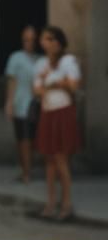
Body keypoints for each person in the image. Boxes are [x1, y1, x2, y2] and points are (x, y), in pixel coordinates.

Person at [33, 26, 82, 221]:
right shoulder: (41, 63)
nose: (45, 43)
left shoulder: (68, 61)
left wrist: (52, 84)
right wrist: (55, 84)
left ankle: (66, 204)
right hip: (48, 112)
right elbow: (37, 90)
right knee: (49, 160)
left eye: (49, 39)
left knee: (61, 159)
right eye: (44, 39)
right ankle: (51, 202)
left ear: (57, 42)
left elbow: (73, 85)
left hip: (63, 111)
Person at [3, 25, 41, 182]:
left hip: (37, 105)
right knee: (22, 139)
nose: (29, 43)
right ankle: (26, 171)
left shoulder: (40, 59)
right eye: (26, 40)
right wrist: (9, 103)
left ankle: (29, 169)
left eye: (32, 40)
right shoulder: (16, 58)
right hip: (21, 104)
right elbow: (12, 81)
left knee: (32, 139)